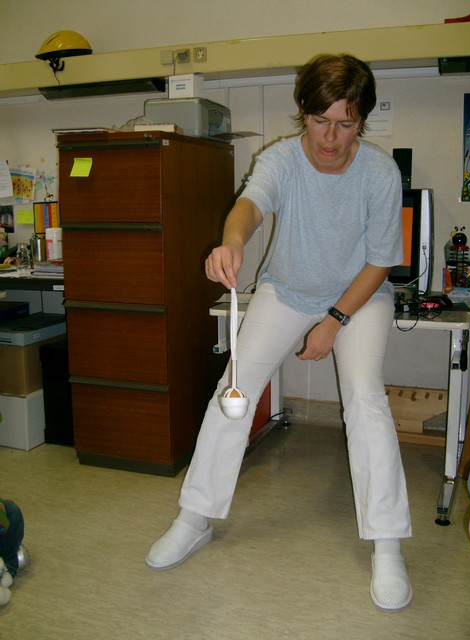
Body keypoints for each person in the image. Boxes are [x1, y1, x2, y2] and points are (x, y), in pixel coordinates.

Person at [146, 53, 412, 613]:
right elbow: (250, 205)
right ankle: (194, 518)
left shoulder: (380, 173)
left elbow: (380, 262)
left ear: (361, 120)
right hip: (288, 289)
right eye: (320, 121)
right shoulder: (282, 159)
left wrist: (334, 322)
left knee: (366, 399)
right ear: (303, 113)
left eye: (345, 123)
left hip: (359, 297)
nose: (330, 138)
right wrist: (232, 242)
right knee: (233, 392)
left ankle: (387, 543)